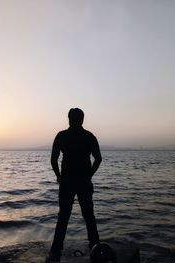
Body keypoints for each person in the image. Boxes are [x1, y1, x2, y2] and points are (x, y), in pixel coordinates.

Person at [47, 108, 102, 262]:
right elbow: (98, 159)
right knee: (89, 216)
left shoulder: (62, 136)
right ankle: (95, 248)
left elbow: (53, 159)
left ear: (69, 119)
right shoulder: (89, 136)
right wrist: (89, 175)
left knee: (63, 217)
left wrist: (59, 177)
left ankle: (55, 252)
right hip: (84, 181)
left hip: (67, 181)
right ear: (82, 120)